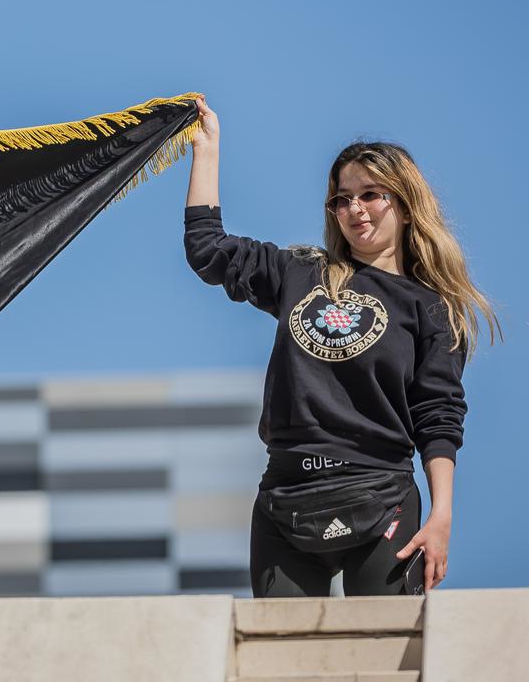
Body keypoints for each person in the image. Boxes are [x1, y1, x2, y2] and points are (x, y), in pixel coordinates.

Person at [183, 97, 497, 597]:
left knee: (383, 660)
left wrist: (442, 516)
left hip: (382, 499)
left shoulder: (428, 307)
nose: (355, 209)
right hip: (287, 496)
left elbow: (438, 415)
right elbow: (207, 252)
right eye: (341, 198)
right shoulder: (299, 272)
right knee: (275, 661)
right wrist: (207, 148)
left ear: (404, 201)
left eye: (370, 194)